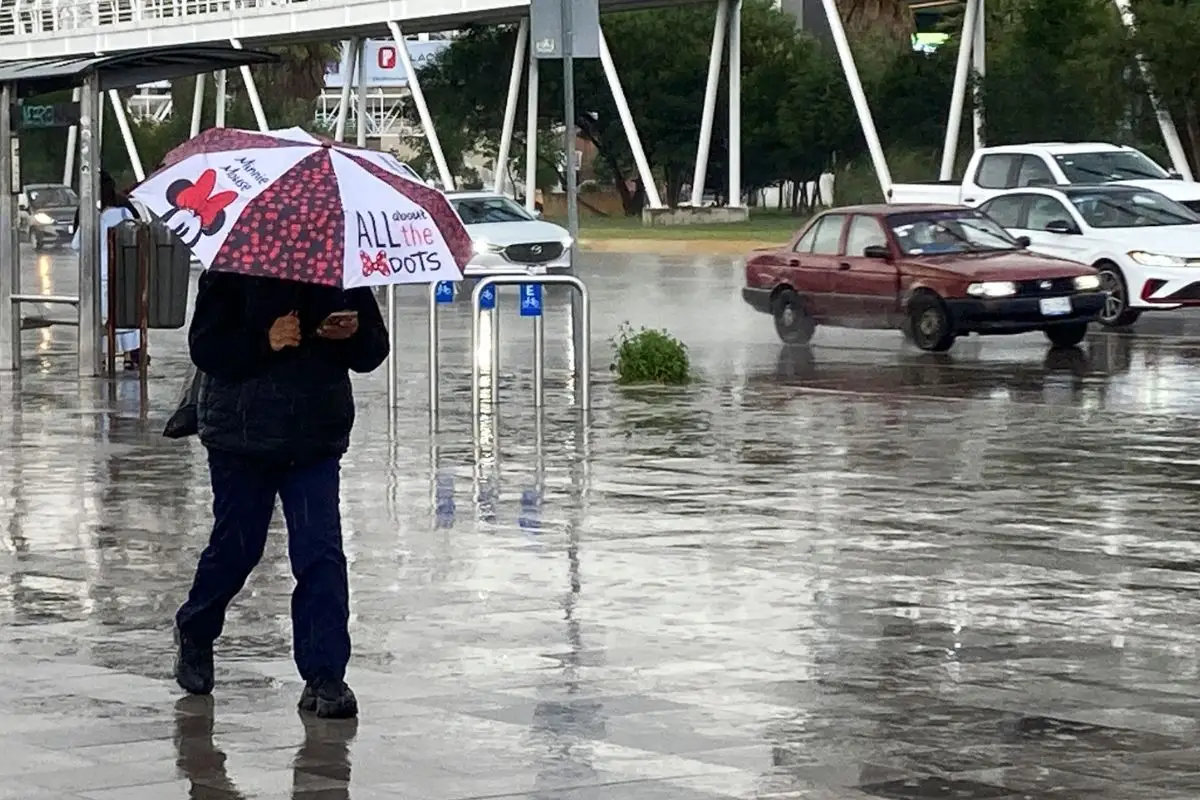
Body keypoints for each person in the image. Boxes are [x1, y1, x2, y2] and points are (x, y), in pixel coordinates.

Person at [172, 271, 389, 719]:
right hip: (241, 436)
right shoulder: (230, 270)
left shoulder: (339, 271)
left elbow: (372, 351)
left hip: (315, 436)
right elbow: (207, 349)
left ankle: (325, 674)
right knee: (238, 547)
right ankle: (196, 628)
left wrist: (350, 335)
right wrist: (264, 340)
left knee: (320, 552)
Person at [72, 170, 144, 370]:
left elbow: (76, 245)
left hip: (99, 276)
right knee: (127, 316)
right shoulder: (125, 213)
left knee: (103, 318)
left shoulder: (90, 217)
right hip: (124, 275)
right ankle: (130, 356)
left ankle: (102, 357)